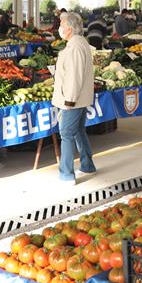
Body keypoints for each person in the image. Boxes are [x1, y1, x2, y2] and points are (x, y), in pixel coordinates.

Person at [51, 12, 96, 184]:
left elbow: (74, 77)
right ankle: (87, 165)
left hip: (72, 100)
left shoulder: (75, 47)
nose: (60, 28)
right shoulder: (78, 43)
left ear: (69, 29)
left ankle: (66, 174)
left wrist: (69, 101)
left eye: (61, 25)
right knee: (78, 131)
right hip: (79, 98)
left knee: (66, 134)